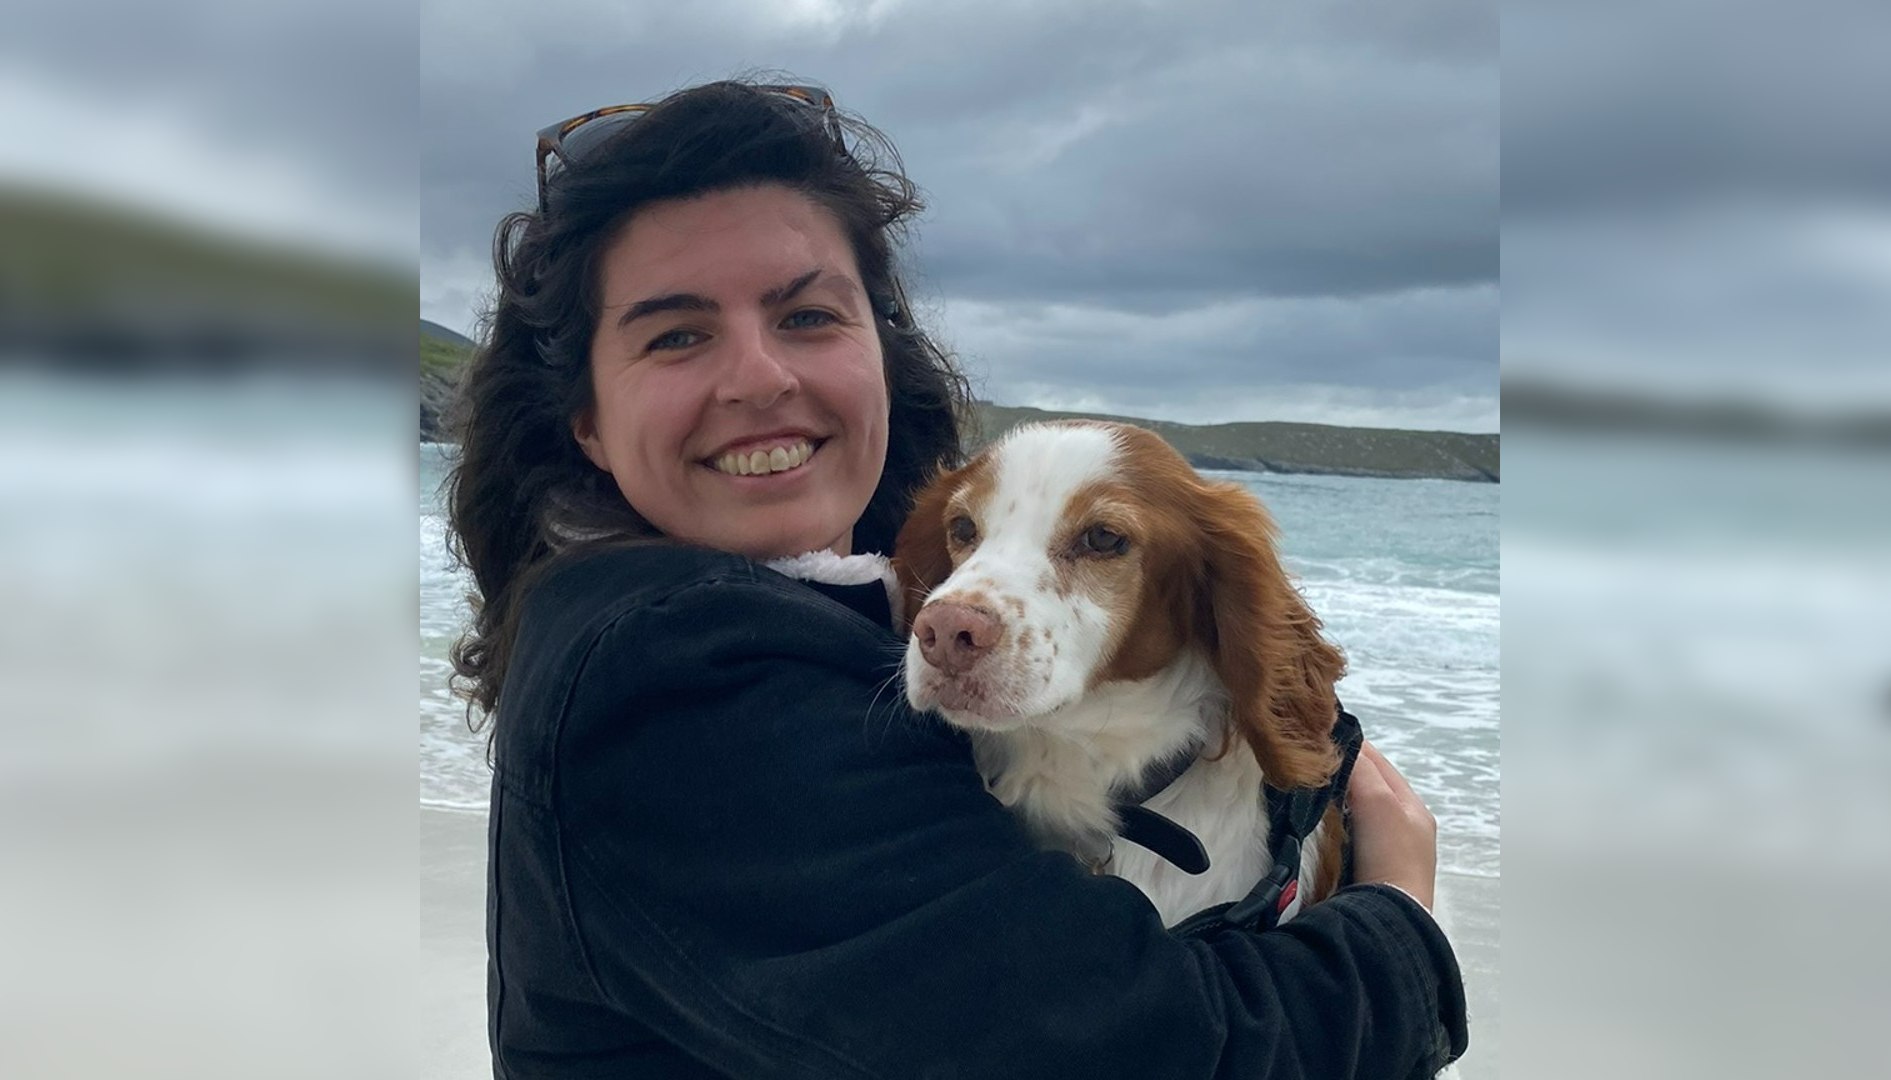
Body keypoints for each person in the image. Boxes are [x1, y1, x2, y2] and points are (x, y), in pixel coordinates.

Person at [448, 79, 1468, 1079]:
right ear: (585, 418)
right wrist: (1405, 915)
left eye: (807, 316)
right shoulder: (676, 675)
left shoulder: (814, 601)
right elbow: (1139, 1049)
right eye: (677, 334)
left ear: (879, 355)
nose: (760, 377)